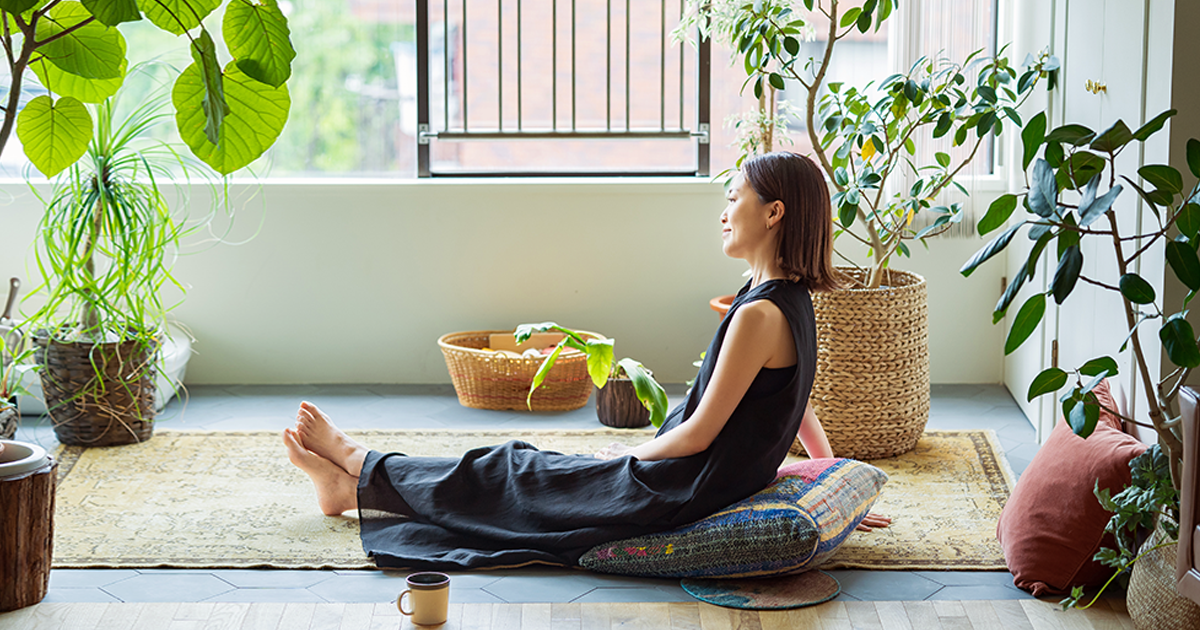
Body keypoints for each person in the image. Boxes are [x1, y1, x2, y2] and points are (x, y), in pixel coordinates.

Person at [283, 151, 890, 570]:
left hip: (680, 489)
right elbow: (796, 400)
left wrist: (628, 456)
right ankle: (353, 488)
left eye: (734, 197)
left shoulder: (760, 314)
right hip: (691, 477)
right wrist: (825, 478)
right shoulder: (789, 303)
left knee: (512, 472)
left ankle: (360, 463)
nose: (724, 210)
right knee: (528, 477)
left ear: (774, 212)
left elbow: (700, 433)